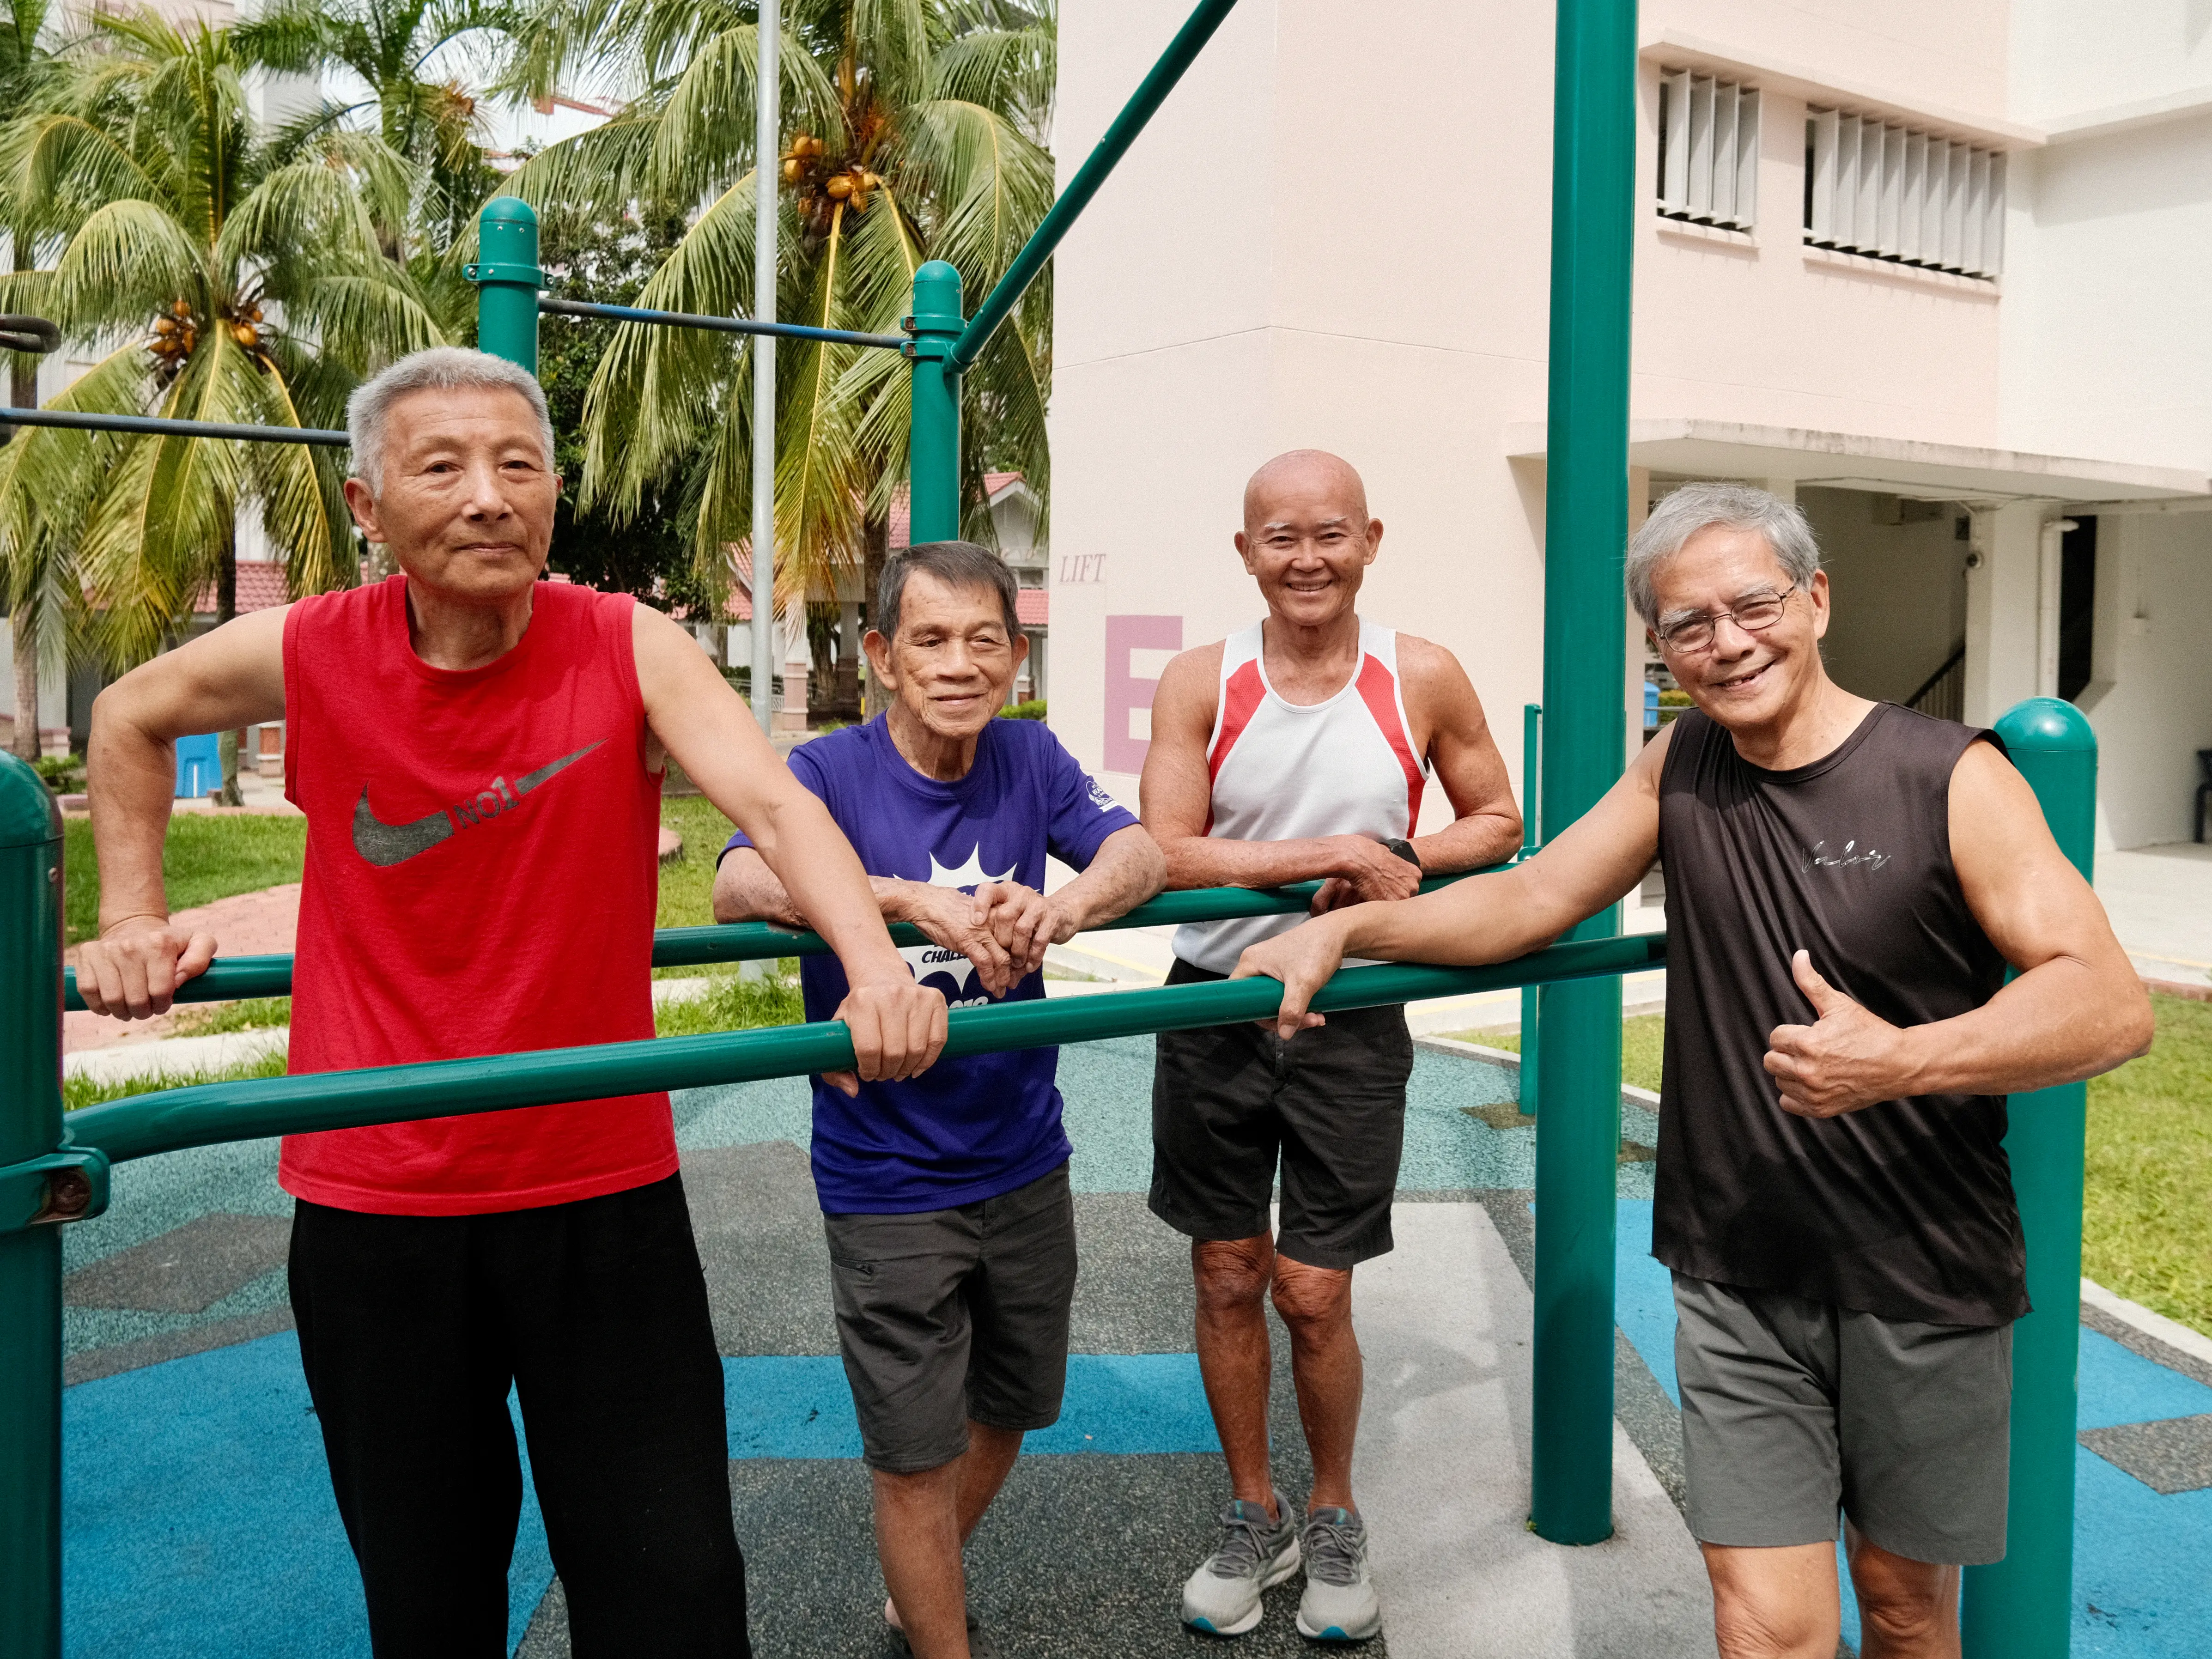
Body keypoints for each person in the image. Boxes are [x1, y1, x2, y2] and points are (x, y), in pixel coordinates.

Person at [73, 346, 949, 1659]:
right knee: (427, 1594)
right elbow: (130, 714)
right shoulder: (317, 647)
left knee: (670, 1585)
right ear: (368, 508)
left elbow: (773, 799)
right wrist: (132, 913)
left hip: (596, 1188)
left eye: (517, 465)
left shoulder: (624, 640)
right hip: (379, 1192)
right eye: (443, 467)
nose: (487, 495)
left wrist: (876, 967)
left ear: (551, 495)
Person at [1232, 481, 2155, 1659]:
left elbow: (2109, 1001)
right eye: (1687, 625)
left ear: (1815, 600)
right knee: (1767, 1624)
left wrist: (1902, 1059)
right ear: (1660, 649)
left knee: (1907, 1604)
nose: (1727, 642)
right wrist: (1349, 930)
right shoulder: (1683, 763)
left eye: (1753, 604)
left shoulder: (1949, 775)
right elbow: (1531, 897)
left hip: (1922, 1262)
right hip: (1740, 1262)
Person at [713, 540, 1165, 1659]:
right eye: (930, 639)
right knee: (912, 1451)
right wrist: (910, 899)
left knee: (1014, 1403)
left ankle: (920, 1590)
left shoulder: (1030, 755)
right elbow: (736, 882)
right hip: (887, 1173)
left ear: (1017, 656)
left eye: (984, 641)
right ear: (880, 655)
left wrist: (1060, 912)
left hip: (1024, 1155)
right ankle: (938, 1636)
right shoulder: (825, 774)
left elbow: (1141, 851)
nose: (959, 665)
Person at [1138, 450, 1522, 1643]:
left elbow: (1497, 816)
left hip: (1350, 1013)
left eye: (1329, 533)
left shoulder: (1421, 672)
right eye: (1280, 537)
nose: (1306, 557)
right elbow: (1163, 848)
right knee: (1222, 1271)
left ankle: (1334, 1502)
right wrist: (1332, 854)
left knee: (1313, 1286)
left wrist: (1391, 866)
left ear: (1369, 539)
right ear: (1244, 550)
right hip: (1214, 1004)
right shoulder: (1201, 679)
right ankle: (1253, 1507)